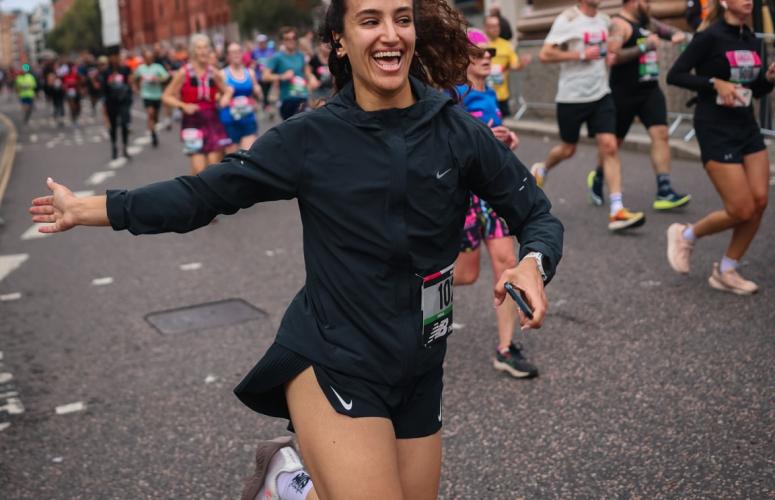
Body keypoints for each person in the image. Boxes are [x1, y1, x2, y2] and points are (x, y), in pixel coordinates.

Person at [28, 1, 564, 498]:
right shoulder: (310, 137)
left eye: (402, 19)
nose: (390, 34)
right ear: (339, 40)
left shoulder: (456, 131)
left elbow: (535, 213)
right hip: (336, 356)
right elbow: (201, 195)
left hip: (422, 357)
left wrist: (533, 262)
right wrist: (88, 209)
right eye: (370, 20)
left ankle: (296, 488)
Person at [666, 0, 773, 294]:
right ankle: (686, 234)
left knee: (760, 201)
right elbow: (675, 75)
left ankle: (727, 269)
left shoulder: (751, 39)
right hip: (715, 127)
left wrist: (768, 79)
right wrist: (715, 83)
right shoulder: (709, 36)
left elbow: (754, 88)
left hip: (746, 125)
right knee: (741, 208)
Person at [454, 29, 537, 379]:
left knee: (507, 264)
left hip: (493, 194)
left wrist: (506, 139)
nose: (486, 57)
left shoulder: (489, 95)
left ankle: (505, 349)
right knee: (466, 274)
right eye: (478, 52)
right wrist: (487, 138)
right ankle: (404, 289)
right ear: (462, 58)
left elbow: (491, 139)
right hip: (463, 197)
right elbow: (451, 141)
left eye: (489, 51)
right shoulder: (454, 95)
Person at [532, 0, 646, 232]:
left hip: (600, 94)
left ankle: (617, 210)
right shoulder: (568, 19)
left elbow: (611, 49)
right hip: (571, 96)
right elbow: (545, 54)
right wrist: (581, 54)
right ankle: (542, 168)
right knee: (568, 149)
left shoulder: (605, 21)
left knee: (610, 146)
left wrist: (611, 56)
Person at [588, 0, 691, 211]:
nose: (649, 4)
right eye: (645, 1)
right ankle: (598, 177)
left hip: (650, 90)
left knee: (661, 133)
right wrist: (644, 46)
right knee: (613, 144)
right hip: (623, 93)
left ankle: (664, 190)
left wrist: (679, 36)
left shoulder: (646, 22)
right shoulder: (620, 24)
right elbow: (612, 57)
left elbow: (667, 30)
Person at [162, 34, 233, 175]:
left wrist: (225, 98)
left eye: (206, 47)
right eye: (199, 48)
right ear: (193, 51)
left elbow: (228, 90)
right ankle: (193, 194)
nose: (203, 51)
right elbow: (166, 96)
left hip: (212, 121)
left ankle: (207, 195)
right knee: (199, 171)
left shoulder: (213, 72)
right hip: (192, 123)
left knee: (213, 170)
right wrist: (183, 106)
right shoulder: (184, 72)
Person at [264, 27, 319, 120]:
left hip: (302, 97)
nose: (291, 41)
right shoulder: (277, 57)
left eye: (293, 38)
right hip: (287, 100)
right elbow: (265, 76)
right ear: (282, 41)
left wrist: (312, 78)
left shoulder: (300, 56)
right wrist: (282, 76)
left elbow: (307, 72)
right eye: (287, 39)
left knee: (303, 122)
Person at [483, 14, 530, 118]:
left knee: (501, 125)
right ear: (485, 27)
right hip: (482, 92)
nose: (495, 29)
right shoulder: (480, 44)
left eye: (497, 26)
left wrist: (522, 63)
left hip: (501, 94)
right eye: (491, 26)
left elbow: (515, 66)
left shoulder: (507, 45)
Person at [220, 42, 263, 152]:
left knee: (246, 157)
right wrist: (226, 97)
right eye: (233, 52)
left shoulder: (250, 73)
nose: (236, 54)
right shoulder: (222, 74)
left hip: (248, 119)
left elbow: (258, 95)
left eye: (239, 51)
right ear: (228, 56)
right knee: (231, 160)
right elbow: (218, 100)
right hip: (229, 121)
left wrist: (258, 93)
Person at [100, 48, 134, 160]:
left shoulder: (125, 69)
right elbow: (103, 89)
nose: (115, 59)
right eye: (113, 56)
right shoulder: (106, 72)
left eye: (117, 56)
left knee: (124, 124)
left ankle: (125, 147)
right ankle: (114, 146)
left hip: (123, 101)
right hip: (111, 102)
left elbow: (129, 84)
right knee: (113, 126)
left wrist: (129, 95)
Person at [134, 50, 170, 147]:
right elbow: (134, 78)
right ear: (144, 58)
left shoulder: (157, 67)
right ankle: (153, 135)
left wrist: (158, 79)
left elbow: (166, 77)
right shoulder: (140, 68)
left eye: (150, 58)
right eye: (147, 58)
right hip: (146, 95)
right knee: (150, 113)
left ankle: (153, 128)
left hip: (157, 95)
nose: (149, 59)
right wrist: (136, 88)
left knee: (155, 117)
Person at [253, 34, 276, 116]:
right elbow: (253, 62)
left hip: (268, 76)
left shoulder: (270, 51)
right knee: (264, 92)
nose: (262, 44)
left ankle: (266, 105)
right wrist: (257, 65)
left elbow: (273, 62)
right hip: (259, 76)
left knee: (267, 92)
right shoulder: (255, 51)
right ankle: (267, 107)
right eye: (260, 42)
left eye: (263, 42)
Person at [308, 41, 334, 108]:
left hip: (330, 90)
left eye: (329, 42)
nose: (327, 44)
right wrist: (311, 77)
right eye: (324, 42)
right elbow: (308, 71)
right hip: (317, 91)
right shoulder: (314, 59)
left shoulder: (334, 59)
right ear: (319, 45)